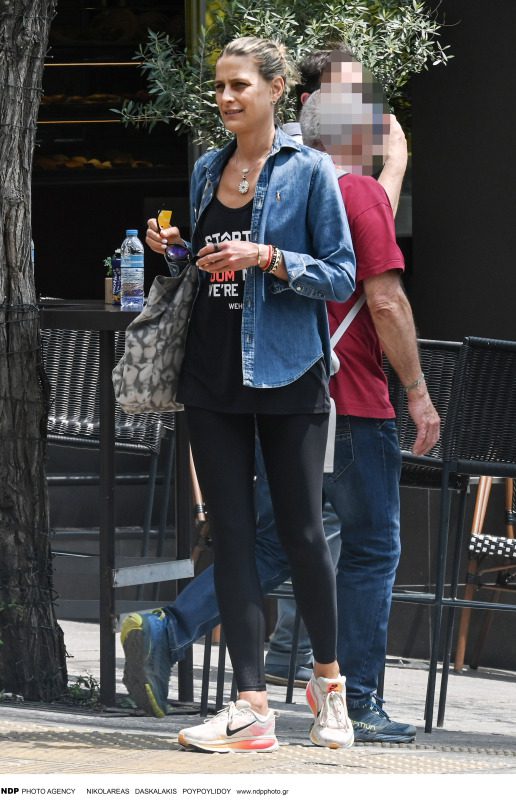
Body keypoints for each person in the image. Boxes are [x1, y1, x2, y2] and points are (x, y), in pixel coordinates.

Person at [121, 45, 440, 745]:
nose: (226, 98)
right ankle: (252, 708)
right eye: (219, 87)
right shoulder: (208, 170)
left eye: (239, 85)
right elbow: (205, 272)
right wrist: (175, 251)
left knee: (301, 535)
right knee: (234, 539)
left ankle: (331, 688)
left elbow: (339, 275)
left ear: (275, 89)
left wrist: (266, 257)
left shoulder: (311, 173)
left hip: (289, 374)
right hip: (211, 376)